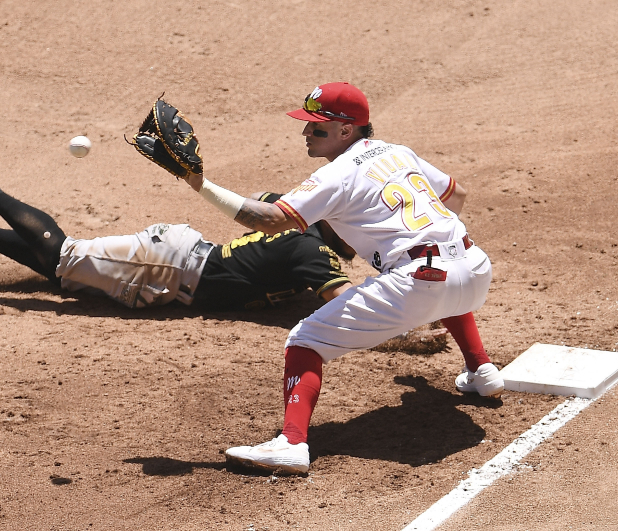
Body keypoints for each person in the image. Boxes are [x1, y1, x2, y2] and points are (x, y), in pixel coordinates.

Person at [179, 82, 503, 475]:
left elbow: (266, 220)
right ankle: (482, 370)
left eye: (316, 128)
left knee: (305, 340)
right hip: (476, 267)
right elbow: (458, 196)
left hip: (422, 279)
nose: (305, 134)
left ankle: (291, 444)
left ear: (346, 131)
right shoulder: (398, 152)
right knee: (445, 286)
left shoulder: (337, 174)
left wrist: (200, 184)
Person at [0, 159, 356, 311]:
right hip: (167, 265)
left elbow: (267, 197)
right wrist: (408, 330)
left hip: (175, 266)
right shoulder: (311, 250)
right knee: (65, 255)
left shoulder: (299, 224)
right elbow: (351, 307)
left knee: (65, 276)